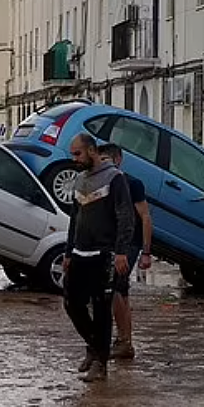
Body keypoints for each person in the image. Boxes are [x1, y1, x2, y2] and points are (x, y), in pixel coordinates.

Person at [63, 133, 134, 382]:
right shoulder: (80, 180)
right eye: (73, 154)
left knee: (103, 308)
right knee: (72, 303)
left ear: (92, 151)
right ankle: (94, 346)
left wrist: (121, 252)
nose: (74, 159)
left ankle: (100, 364)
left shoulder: (115, 179)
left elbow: (126, 217)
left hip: (104, 254)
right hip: (80, 253)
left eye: (77, 154)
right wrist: (68, 252)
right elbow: (74, 219)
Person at [98, 143, 153, 360]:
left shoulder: (132, 184)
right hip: (110, 244)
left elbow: (146, 217)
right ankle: (125, 342)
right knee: (121, 292)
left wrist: (146, 252)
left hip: (129, 244)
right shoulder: (102, 183)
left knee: (115, 289)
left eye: (107, 161)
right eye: (100, 160)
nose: (103, 165)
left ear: (118, 160)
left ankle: (123, 341)